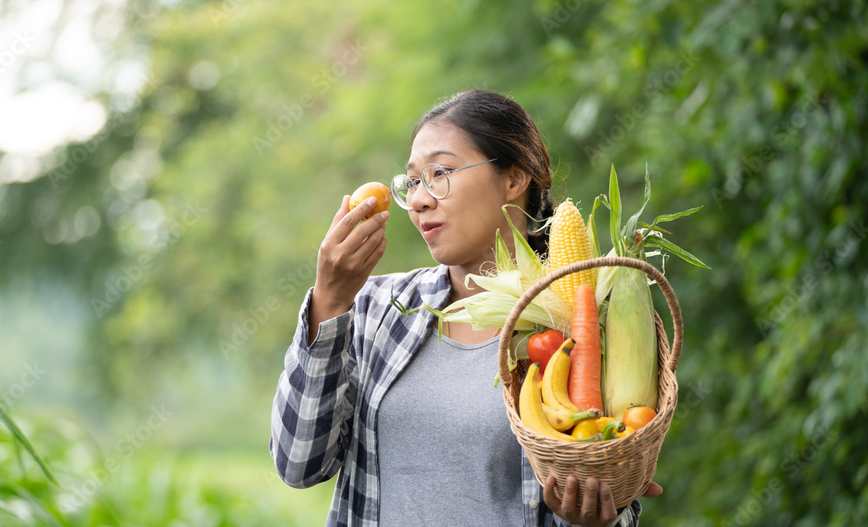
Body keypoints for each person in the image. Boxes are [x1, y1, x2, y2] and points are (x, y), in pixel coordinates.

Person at [270, 89, 661, 526]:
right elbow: (299, 464)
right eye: (413, 181)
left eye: (440, 173)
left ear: (514, 179)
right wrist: (330, 301)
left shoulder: (584, 325)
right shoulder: (378, 309)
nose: (419, 199)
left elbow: (610, 481)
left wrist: (597, 520)